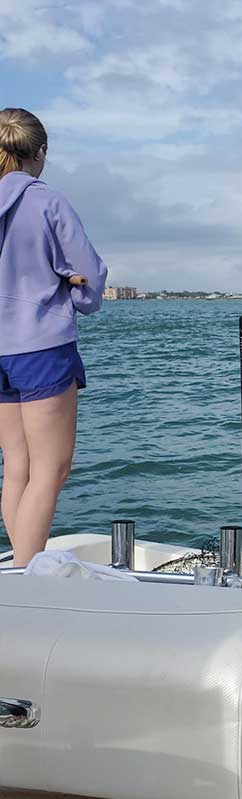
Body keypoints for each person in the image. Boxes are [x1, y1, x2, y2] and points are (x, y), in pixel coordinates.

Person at [0, 108, 107, 567]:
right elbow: (91, 277)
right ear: (40, 151)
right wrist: (75, 295)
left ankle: (22, 567)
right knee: (50, 469)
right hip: (41, 346)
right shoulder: (48, 202)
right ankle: (26, 583)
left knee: (17, 469)